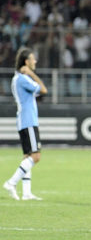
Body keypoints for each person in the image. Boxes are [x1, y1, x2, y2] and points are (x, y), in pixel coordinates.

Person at [3, 47, 48, 201]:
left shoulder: (17, 79)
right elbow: (43, 90)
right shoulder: (23, 79)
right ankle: (11, 182)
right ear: (26, 62)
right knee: (36, 156)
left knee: (27, 156)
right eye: (32, 59)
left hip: (24, 120)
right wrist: (32, 74)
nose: (35, 61)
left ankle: (27, 193)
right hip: (28, 121)